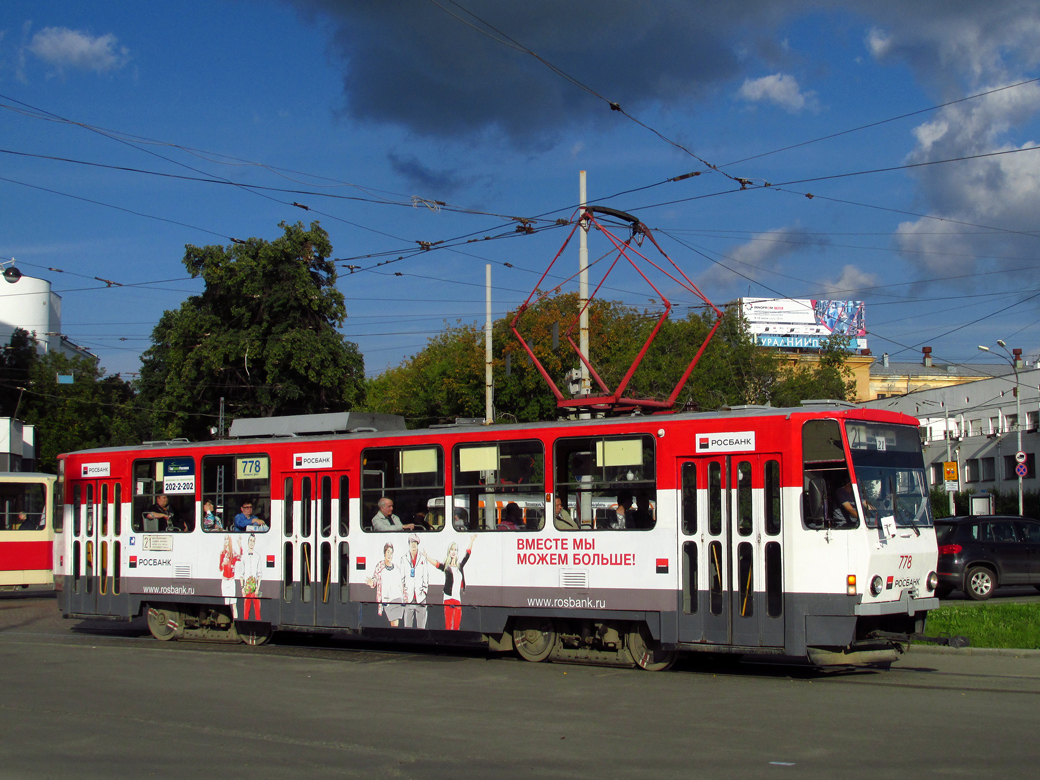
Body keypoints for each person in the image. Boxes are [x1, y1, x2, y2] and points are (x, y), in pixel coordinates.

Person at [425, 535, 476, 631]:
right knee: (448, 625)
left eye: (455, 550)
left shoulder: (459, 566)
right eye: (452, 549)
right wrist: (427, 557)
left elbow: (467, 555)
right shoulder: (446, 567)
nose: (453, 551)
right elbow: (436, 564)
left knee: (457, 625)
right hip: (448, 598)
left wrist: (472, 541)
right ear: (449, 551)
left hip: (457, 599)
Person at [365, 542, 405, 627]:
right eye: (388, 552)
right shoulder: (380, 566)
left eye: (391, 553)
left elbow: (401, 584)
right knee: (393, 623)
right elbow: (375, 578)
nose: (389, 555)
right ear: (384, 553)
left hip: (397, 598)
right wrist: (372, 582)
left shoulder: (396, 568)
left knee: (395, 622)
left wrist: (404, 598)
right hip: (387, 600)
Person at [400, 533, 429, 629]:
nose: (413, 545)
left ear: (417, 545)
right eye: (411, 543)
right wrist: (404, 593)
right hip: (408, 598)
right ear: (409, 544)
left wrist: (424, 592)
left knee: (421, 628)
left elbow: (425, 577)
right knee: (407, 628)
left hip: (421, 598)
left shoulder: (423, 558)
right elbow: (402, 579)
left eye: (415, 543)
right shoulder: (404, 559)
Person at [239, 533, 264, 620]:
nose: (251, 543)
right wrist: (242, 588)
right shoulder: (243, 557)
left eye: (253, 541)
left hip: (255, 589)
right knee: (246, 611)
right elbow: (241, 574)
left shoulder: (257, 556)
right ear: (248, 542)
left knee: (257, 611)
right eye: (250, 540)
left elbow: (259, 574)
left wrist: (257, 588)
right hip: (246, 588)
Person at [219, 535, 243, 619]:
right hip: (225, 581)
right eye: (225, 539)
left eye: (227, 539)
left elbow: (240, 557)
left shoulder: (233, 553)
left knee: (233, 604)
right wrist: (223, 563)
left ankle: (236, 620)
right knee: (226, 604)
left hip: (231, 581)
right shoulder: (222, 554)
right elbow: (220, 568)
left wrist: (240, 545)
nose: (226, 541)